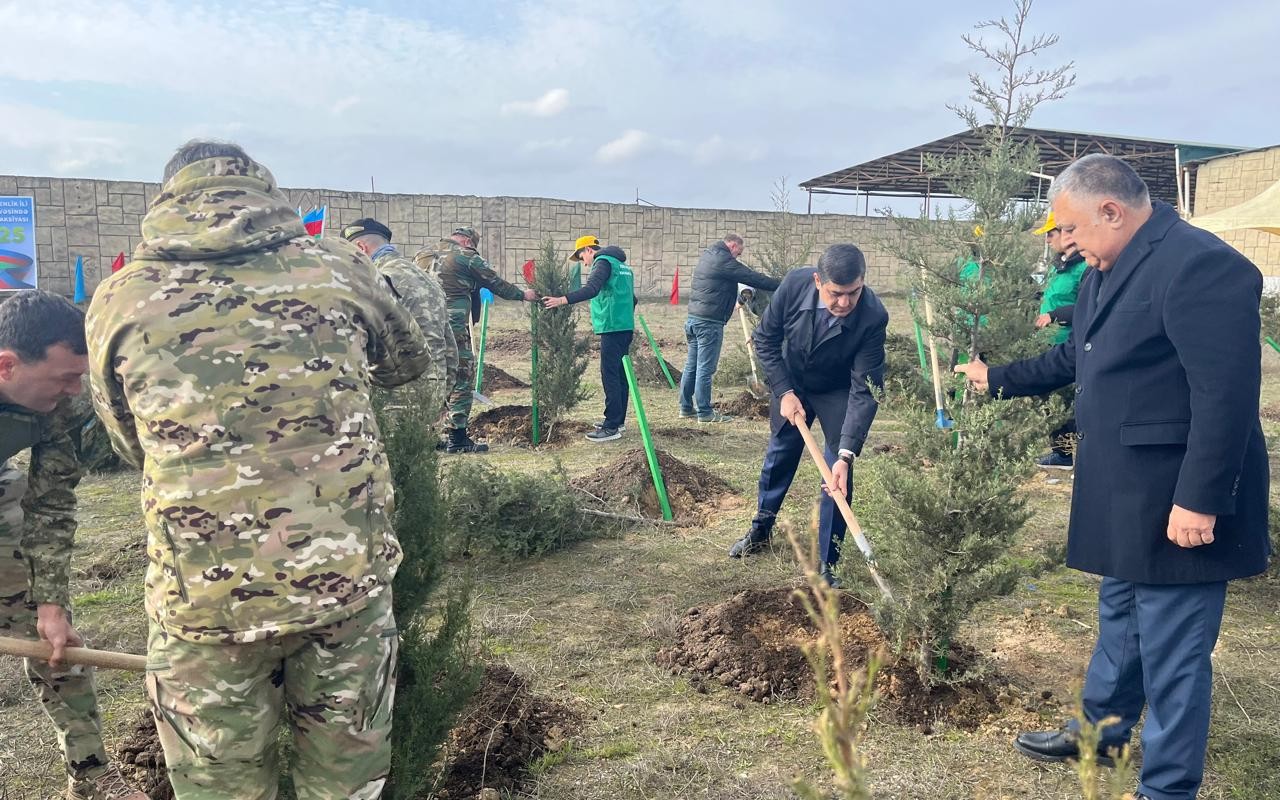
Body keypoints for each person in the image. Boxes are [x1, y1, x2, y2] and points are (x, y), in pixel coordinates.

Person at [85, 140, 431, 800]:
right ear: (265, 189)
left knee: (219, 789)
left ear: (168, 194)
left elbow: (131, 442)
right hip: (344, 587)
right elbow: (407, 362)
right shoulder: (338, 264)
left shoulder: (120, 295)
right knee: (345, 788)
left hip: (203, 600)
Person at [955, 154, 1270, 800]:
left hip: (1178, 497)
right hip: (1126, 492)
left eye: (1069, 228)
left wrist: (1200, 499)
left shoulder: (1200, 266)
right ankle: (1101, 733)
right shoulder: (1107, 270)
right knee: (1121, 618)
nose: (1065, 243)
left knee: (1174, 650)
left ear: (1111, 211)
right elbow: (1079, 356)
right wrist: (997, 380)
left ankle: (1167, 786)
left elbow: (1226, 396)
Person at [0, 290, 147, 800]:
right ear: (7, 366)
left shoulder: (58, 405)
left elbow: (51, 504)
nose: (75, 389)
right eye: (64, 377)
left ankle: (91, 775)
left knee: (57, 646)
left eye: (78, 375)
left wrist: (50, 604)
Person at [727, 244, 888, 587]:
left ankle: (829, 561)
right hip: (792, 382)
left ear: (863, 282)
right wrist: (784, 391)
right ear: (818, 281)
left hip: (837, 390)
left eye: (853, 292)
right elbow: (765, 339)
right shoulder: (794, 286)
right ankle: (761, 528)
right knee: (780, 454)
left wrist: (846, 454)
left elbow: (866, 388)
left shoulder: (873, 316)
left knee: (837, 473)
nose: (844, 302)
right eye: (835, 293)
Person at [416, 226, 537, 453]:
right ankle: (457, 438)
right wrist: (523, 294)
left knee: (431, 379)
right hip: (452, 329)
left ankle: (426, 435)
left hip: (422, 328)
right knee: (462, 378)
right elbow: (495, 282)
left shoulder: (422, 255)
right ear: (468, 241)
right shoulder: (467, 256)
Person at [342, 217, 458, 415]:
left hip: (393, 398)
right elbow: (450, 350)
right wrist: (442, 394)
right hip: (433, 391)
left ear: (361, 248)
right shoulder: (428, 280)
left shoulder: (374, 280)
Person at [542, 235, 636, 442]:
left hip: (612, 327)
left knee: (610, 374)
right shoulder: (622, 266)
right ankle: (618, 420)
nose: (584, 263)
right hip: (625, 326)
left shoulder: (602, 262)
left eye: (581, 257)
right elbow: (633, 298)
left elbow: (591, 289)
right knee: (620, 375)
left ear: (588, 250)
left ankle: (611, 427)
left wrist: (562, 300)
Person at [680, 234, 780, 422]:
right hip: (709, 323)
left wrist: (740, 299)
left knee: (691, 365)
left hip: (693, 319)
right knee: (705, 368)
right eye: (738, 253)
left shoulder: (709, 255)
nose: (737, 257)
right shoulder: (724, 260)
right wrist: (782, 284)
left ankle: (685, 408)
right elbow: (751, 277)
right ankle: (705, 412)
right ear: (733, 246)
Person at [1032, 210, 1089, 470]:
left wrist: (1054, 316)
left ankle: (1070, 452)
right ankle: (1061, 452)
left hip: (1069, 343)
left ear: (1066, 233)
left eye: (1050, 234)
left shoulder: (1085, 268)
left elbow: (1086, 307)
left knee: (1066, 401)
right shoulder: (1060, 267)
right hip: (1049, 341)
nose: (1047, 240)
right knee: (1051, 399)